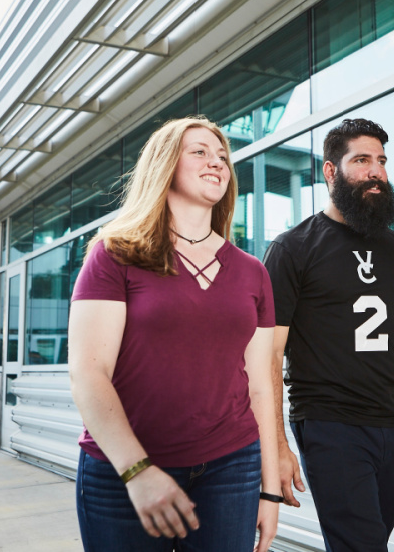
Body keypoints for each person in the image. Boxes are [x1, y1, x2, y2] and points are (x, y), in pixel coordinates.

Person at [68, 116, 280, 552]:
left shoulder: (253, 272)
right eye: (199, 151)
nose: (216, 162)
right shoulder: (116, 254)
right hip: (120, 472)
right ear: (164, 165)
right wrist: (138, 472)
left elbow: (260, 386)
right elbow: (89, 375)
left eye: (222, 156)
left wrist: (270, 488)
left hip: (230, 468)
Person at [262, 118, 394, 552]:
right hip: (330, 425)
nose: (375, 171)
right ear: (331, 171)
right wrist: (276, 445)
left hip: (392, 423)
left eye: (381, 161)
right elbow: (269, 354)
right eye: (361, 160)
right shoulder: (293, 248)